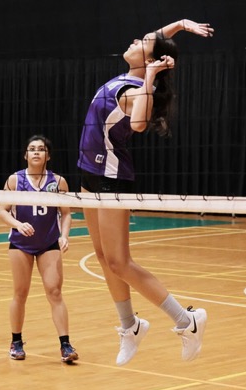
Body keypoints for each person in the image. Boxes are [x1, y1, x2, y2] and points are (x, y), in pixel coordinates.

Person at [77, 18, 214, 366]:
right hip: (88, 174)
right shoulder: (132, 76)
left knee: (120, 261)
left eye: (141, 43)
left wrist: (151, 77)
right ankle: (130, 326)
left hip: (111, 181)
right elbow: (156, 41)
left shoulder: (135, 90)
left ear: (148, 62)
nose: (136, 40)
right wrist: (181, 25)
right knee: (104, 258)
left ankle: (186, 320)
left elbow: (138, 124)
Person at [0, 135, 78, 363]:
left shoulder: (59, 181)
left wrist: (64, 236)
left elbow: (67, 213)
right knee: (20, 293)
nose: (36, 152)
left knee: (54, 291)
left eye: (41, 149)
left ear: (47, 156)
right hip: (20, 244)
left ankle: (65, 345)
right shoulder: (15, 180)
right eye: (31, 149)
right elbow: (2, 210)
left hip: (48, 243)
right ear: (25, 154)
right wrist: (17, 224)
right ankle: (16, 342)